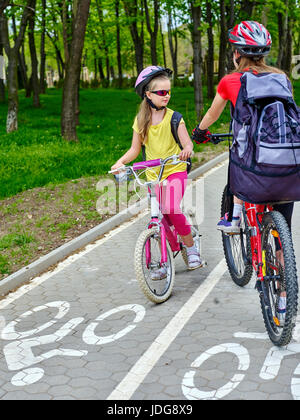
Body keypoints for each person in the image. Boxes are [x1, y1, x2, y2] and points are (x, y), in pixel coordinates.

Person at [192, 21, 296, 319]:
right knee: (282, 232)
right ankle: (285, 296)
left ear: (237, 53)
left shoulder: (230, 81)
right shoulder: (282, 78)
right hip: (285, 164)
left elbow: (213, 114)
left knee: (238, 160)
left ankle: (235, 216)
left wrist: (200, 132)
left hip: (252, 167)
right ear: (264, 53)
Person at [111, 66, 203, 279]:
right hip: (154, 175)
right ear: (148, 94)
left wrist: (187, 151)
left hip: (174, 170)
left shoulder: (175, 118)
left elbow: (187, 144)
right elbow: (135, 150)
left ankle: (191, 248)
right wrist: (120, 162)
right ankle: (164, 261)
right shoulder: (141, 121)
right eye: (161, 92)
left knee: (171, 207)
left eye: (169, 91)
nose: (167, 96)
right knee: (159, 219)